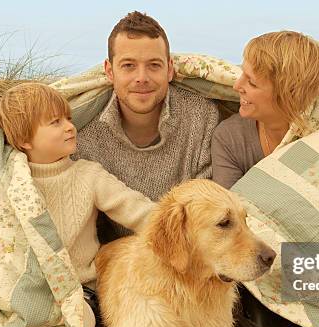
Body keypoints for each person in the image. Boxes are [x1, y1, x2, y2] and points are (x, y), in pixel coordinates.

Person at [0, 82, 156, 327]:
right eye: (55, 122)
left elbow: (136, 209)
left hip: (77, 289)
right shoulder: (7, 183)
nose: (69, 127)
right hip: (27, 289)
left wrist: (180, 224)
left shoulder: (87, 175)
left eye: (68, 118)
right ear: (25, 140)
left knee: (81, 323)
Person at [211, 31, 319, 327]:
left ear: (285, 91)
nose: (237, 85)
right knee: (236, 277)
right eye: (242, 74)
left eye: (251, 81)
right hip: (259, 260)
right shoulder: (229, 137)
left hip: (316, 262)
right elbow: (233, 216)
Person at [74, 11, 220, 242]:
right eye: (129, 65)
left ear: (169, 69)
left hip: (191, 250)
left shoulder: (200, 116)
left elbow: (211, 209)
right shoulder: (85, 136)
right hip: (121, 258)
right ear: (110, 71)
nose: (141, 77)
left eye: (154, 65)